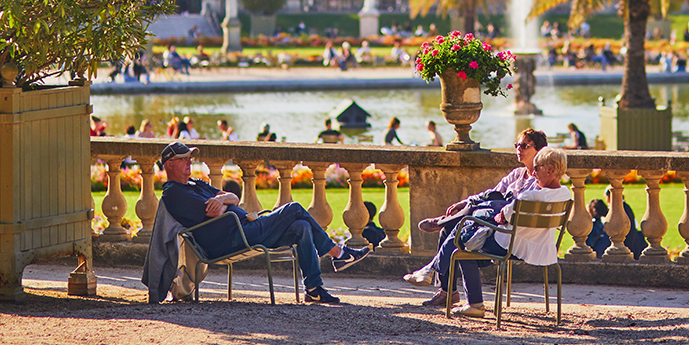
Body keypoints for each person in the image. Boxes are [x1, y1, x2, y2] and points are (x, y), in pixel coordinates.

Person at [158, 142, 368, 304]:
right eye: (184, 159)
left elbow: (231, 196)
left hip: (245, 230)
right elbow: (212, 213)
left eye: (189, 158)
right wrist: (222, 203)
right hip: (229, 240)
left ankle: (314, 290)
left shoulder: (195, 183)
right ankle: (338, 254)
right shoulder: (174, 193)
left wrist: (221, 199)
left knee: (301, 227)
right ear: (169, 164)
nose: (189, 162)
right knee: (293, 209)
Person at [404, 128, 549, 305]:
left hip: (507, 233)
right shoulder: (517, 174)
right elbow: (492, 193)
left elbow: (519, 209)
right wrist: (465, 202)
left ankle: (436, 265)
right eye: (517, 145)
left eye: (524, 145)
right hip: (493, 223)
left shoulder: (541, 180)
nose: (519, 149)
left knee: (464, 232)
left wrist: (485, 206)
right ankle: (446, 290)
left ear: (540, 150)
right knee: (454, 227)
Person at [436, 147, 573, 319]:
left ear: (550, 170)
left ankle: (475, 304)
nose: (534, 173)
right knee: (472, 236)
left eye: (536, 168)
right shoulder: (565, 195)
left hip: (510, 245)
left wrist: (498, 215)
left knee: (464, 246)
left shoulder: (528, 197)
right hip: (543, 248)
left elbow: (503, 216)